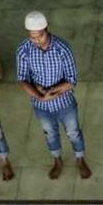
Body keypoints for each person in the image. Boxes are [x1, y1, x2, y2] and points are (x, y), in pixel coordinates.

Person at [17, 12, 90, 178]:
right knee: (50, 133)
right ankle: (57, 160)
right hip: (41, 105)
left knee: (73, 132)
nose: (36, 41)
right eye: (33, 37)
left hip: (64, 103)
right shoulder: (24, 49)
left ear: (47, 29)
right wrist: (40, 96)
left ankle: (80, 159)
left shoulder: (62, 48)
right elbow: (22, 79)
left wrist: (49, 92)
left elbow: (71, 80)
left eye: (40, 36)